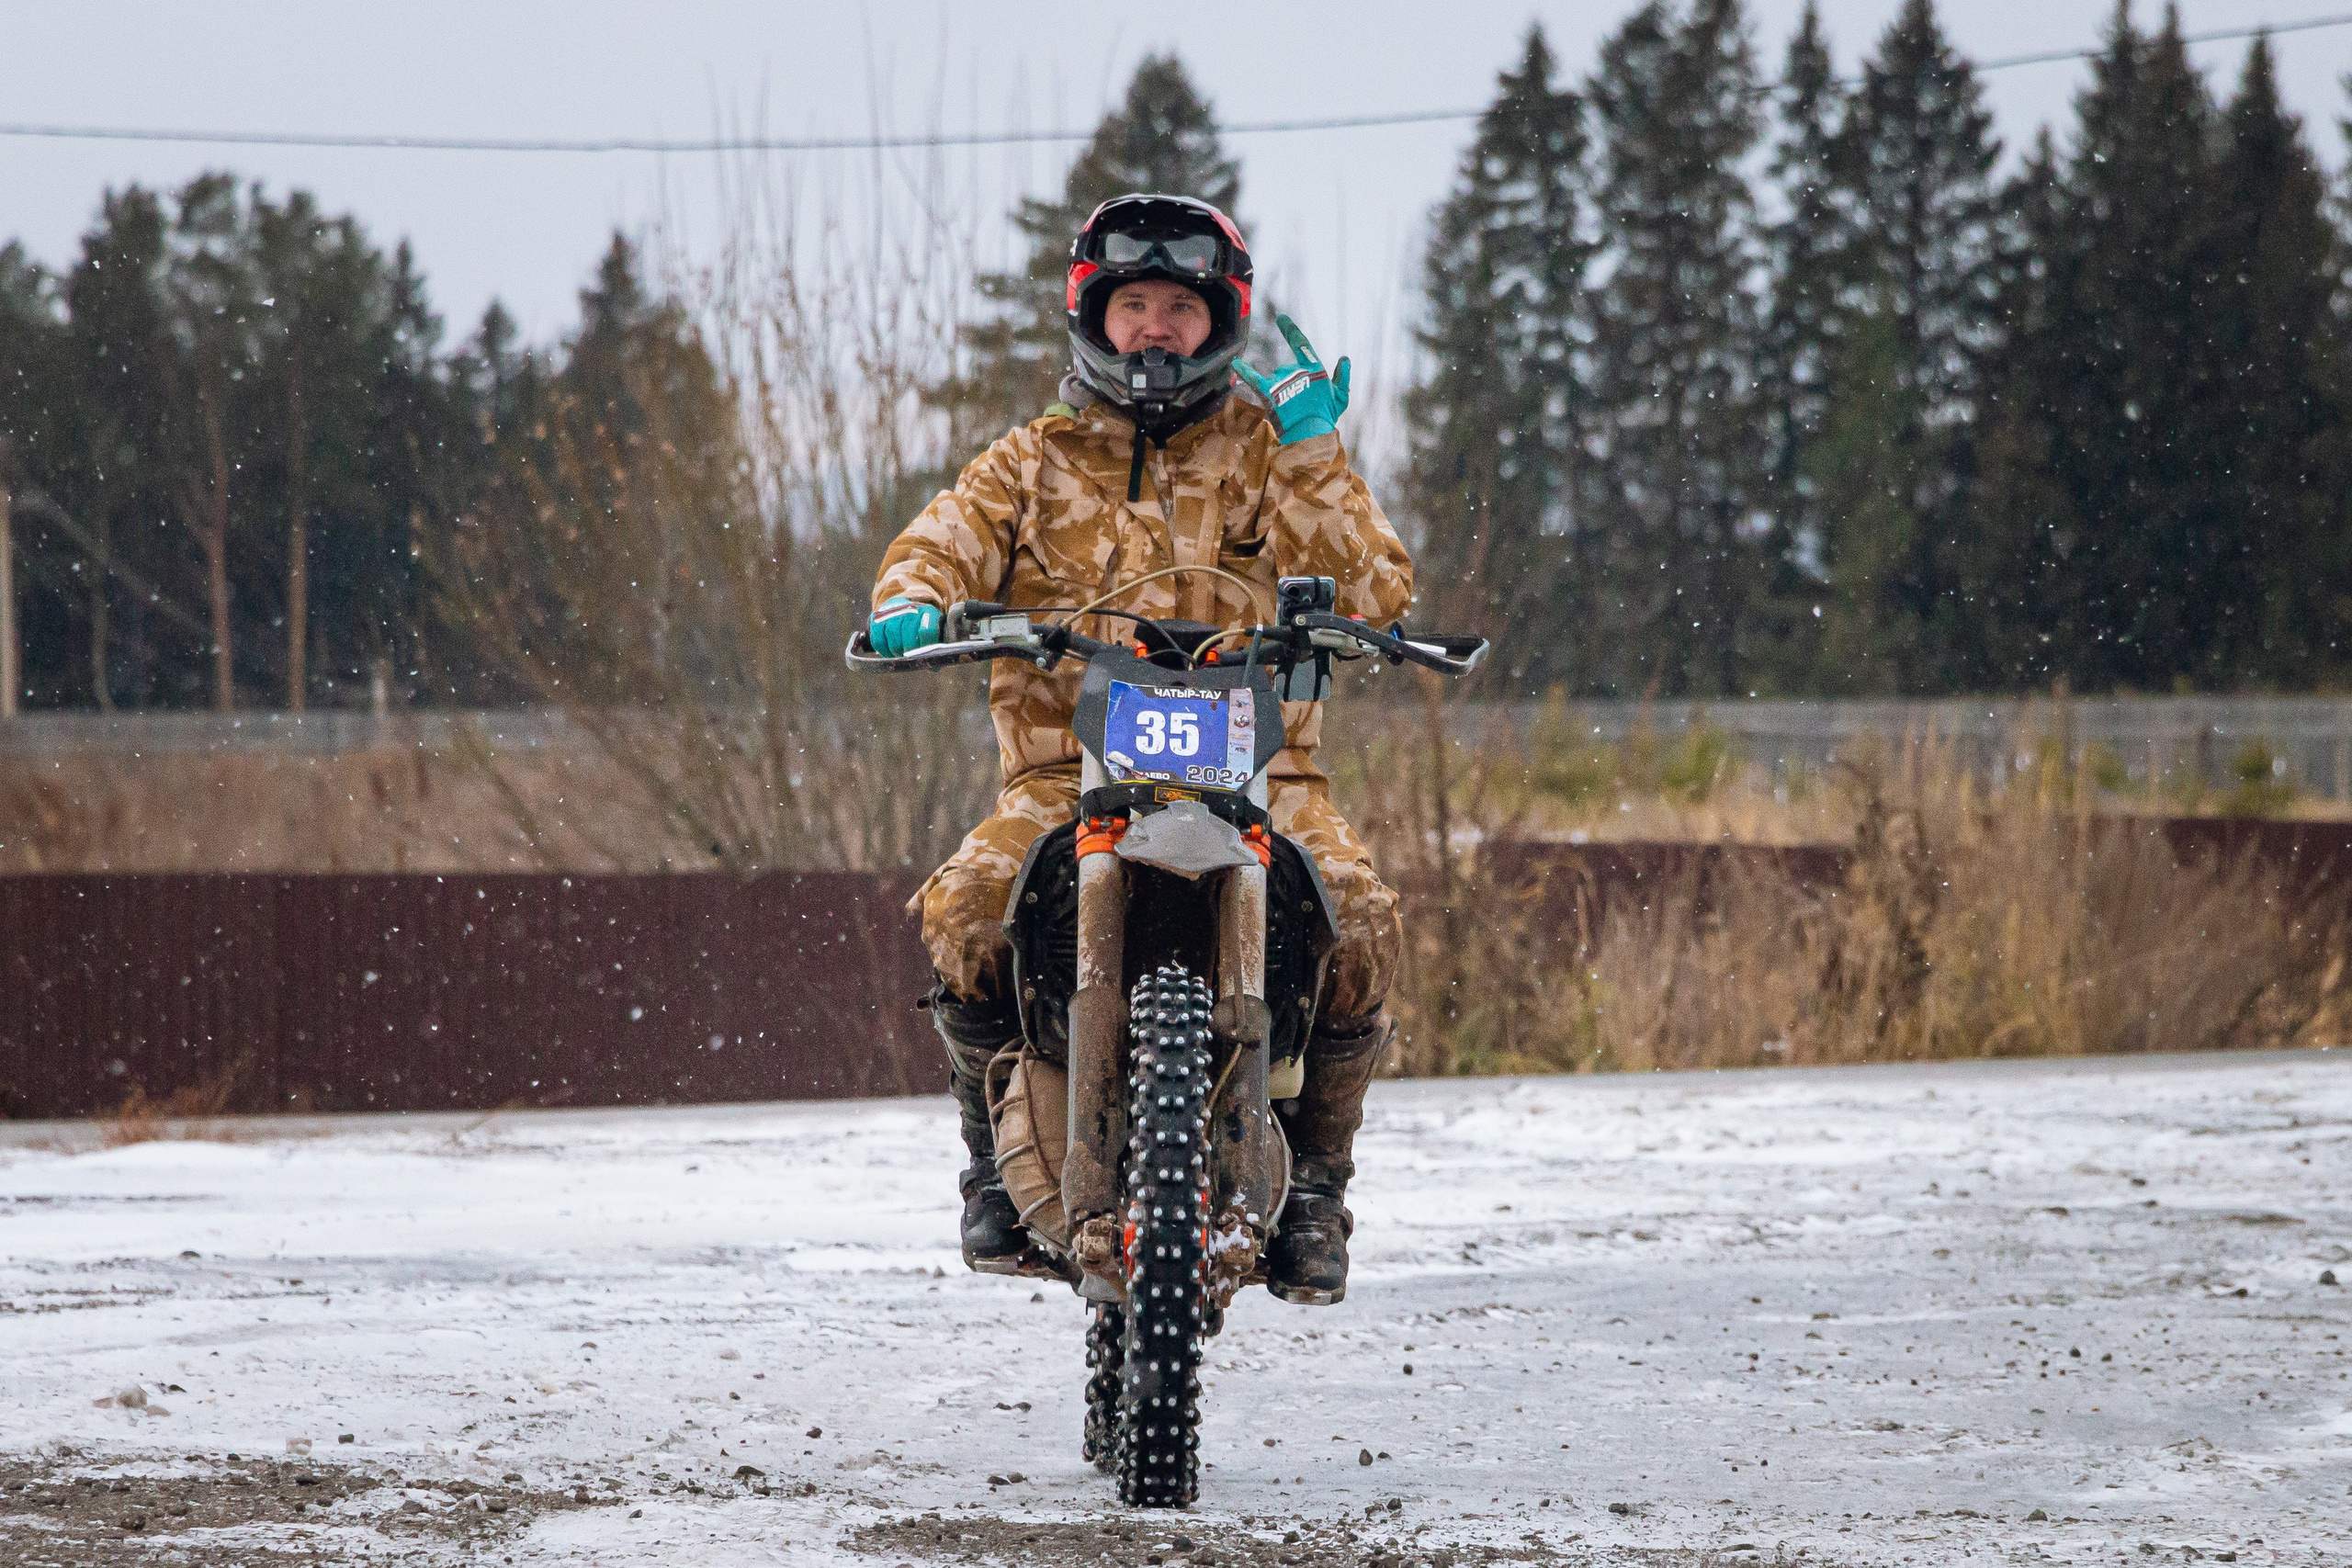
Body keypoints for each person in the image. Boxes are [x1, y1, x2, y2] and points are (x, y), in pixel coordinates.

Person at [867, 192, 1413, 1304]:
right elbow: (934, 545)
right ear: (1093, 313)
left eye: (1180, 304)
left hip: (1264, 773)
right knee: (967, 908)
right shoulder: (1029, 461)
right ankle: (988, 1165)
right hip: (1066, 779)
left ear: (1220, 321)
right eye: (1133, 305)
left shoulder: (1269, 455)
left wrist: (1315, 452)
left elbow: (1376, 590)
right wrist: (913, 601)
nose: (1155, 326)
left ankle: (1314, 1187)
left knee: (1358, 919)